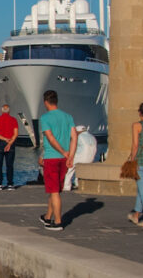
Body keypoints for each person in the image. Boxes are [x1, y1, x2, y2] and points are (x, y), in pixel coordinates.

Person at [37, 90, 73, 230]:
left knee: (54, 191)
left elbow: (50, 138)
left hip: (52, 157)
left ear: (46, 102)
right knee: (55, 190)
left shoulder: (45, 118)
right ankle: (47, 217)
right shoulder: (68, 117)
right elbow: (74, 136)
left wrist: (43, 155)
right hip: (63, 159)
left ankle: (57, 222)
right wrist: (69, 154)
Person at [0, 103, 19, 190]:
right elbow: (16, 134)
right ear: (9, 111)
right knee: (9, 165)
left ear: (1, 110)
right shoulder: (13, 120)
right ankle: (10, 184)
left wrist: (4, 139)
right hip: (11, 143)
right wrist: (9, 142)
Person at [65, 125, 98, 190]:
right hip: (90, 159)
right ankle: (77, 184)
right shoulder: (92, 136)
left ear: (78, 131)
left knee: (69, 170)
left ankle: (66, 186)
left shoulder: (78, 137)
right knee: (79, 170)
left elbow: (72, 148)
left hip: (80, 157)